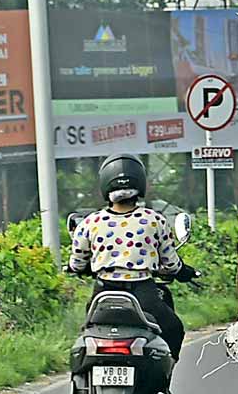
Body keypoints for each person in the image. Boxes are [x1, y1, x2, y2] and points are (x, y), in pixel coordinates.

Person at [68, 154, 197, 362]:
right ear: (141, 184)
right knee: (173, 328)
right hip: (143, 293)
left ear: (105, 186)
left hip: (104, 292)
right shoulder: (154, 220)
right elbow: (171, 263)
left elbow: (77, 262)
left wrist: (79, 267)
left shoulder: (90, 223)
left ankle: (81, 384)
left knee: (88, 332)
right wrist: (184, 271)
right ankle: (165, 376)